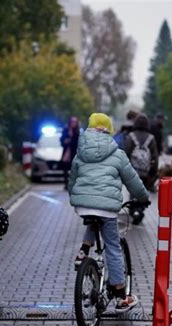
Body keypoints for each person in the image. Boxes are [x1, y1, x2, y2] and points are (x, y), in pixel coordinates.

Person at [68, 113, 149, 312]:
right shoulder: (117, 153)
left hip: (83, 204)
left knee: (94, 217)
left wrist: (76, 196)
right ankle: (121, 296)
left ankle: (83, 251)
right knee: (113, 246)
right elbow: (132, 180)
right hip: (106, 207)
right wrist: (143, 197)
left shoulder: (81, 152)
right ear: (109, 131)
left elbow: (72, 178)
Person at [124, 113, 159, 221]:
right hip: (145, 171)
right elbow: (154, 156)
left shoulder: (131, 136)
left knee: (133, 191)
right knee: (143, 190)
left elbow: (126, 153)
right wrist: (153, 171)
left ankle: (133, 209)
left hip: (132, 170)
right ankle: (140, 209)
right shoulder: (151, 138)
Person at [60, 116, 80, 188]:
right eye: (72, 122)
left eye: (74, 122)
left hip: (74, 152)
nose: (73, 123)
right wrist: (66, 141)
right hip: (66, 152)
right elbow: (62, 140)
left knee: (74, 169)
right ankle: (66, 183)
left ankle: (73, 183)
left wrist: (70, 140)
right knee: (65, 168)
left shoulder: (77, 131)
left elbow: (77, 142)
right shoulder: (65, 130)